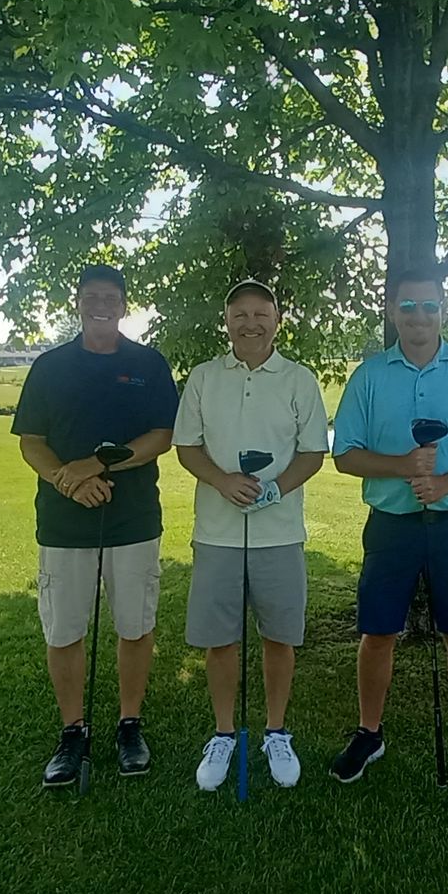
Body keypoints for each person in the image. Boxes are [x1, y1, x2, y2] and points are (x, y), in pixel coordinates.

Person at [327, 265, 448, 792]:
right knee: (378, 631)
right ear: (392, 312)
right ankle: (369, 731)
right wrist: (405, 467)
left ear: (443, 311)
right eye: (407, 306)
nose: (419, 316)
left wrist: (447, 480)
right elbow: (346, 455)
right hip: (391, 524)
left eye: (429, 306)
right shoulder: (369, 376)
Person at [13, 264, 179, 788]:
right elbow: (31, 441)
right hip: (64, 522)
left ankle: (129, 724)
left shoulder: (148, 363)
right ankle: (72, 731)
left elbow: (162, 435)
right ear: (77, 303)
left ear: (125, 305)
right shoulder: (49, 366)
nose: (101, 304)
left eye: (110, 296)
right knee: (64, 631)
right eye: (91, 296)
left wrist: (99, 464)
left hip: (132, 520)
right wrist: (70, 480)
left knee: (135, 625)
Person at [173, 280, 329, 791]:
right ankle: (223, 733)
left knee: (279, 637)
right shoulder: (202, 377)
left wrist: (274, 490)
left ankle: (276, 732)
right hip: (217, 534)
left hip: (279, 534)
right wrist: (223, 481)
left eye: (261, 314)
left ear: (277, 320)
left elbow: (311, 453)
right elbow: (188, 447)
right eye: (240, 314)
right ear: (227, 320)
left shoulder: (299, 379)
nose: (250, 323)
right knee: (219, 640)